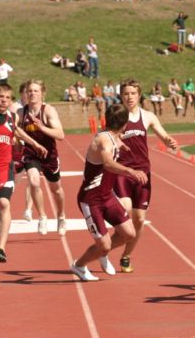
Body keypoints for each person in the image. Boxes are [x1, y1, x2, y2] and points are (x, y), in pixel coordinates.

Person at [70, 104, 149, 281]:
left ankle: (101, 253)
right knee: (104, 245)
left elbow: (117, 138)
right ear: (125, 124)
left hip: (108, 197)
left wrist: (122, 144)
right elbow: (107, 163)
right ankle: (79, 265)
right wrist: (131, 172)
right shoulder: (103, 140)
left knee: (129, 234)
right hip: (91, 200)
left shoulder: (114, 136)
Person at [0, 84, 45, 263]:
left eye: (7, 98)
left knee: (4, 203)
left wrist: (34, 143)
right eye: (0, 97)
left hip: (5, 169)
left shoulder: (12, 117)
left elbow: (17, 131)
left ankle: (1, 248)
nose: (4, 101)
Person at [113, 79, 178, 273]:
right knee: (124, 212)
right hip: (122, 172)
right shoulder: (116, 117)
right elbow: (106, 138)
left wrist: (169, 141)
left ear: (139, 95)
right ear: (121, 96)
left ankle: (125, 255)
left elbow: (162, 135)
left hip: (142, 173)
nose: (129, 97)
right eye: (126, 94)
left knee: (139, 219)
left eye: (133, 93)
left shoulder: (147, 116)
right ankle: (106, 245)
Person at [20, 80, 67, 235]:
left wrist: (42, 127)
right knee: (33, 181)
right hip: (31, 153)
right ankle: (42, 216)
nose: (32, 93)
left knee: (56, 190)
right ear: (26, 94)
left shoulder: (48, 111)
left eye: (35, 91)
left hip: (49, 155)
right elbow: (16, 132)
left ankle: (61, 216)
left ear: (42, 93)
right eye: (30, 91)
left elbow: (60, 135)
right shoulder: (21, 113)